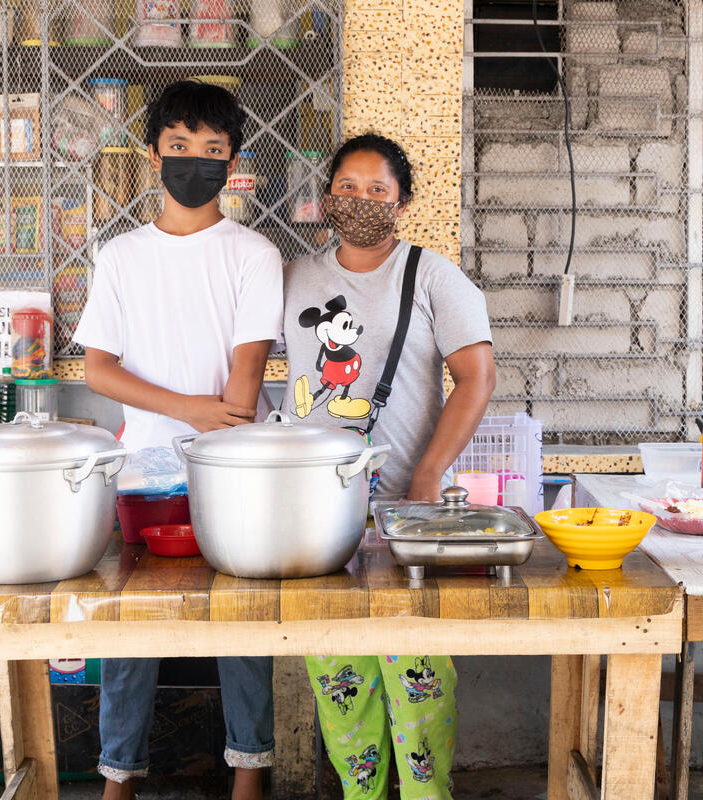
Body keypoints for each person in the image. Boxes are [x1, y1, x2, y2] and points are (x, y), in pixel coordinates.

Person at [74, 80, 280, 800]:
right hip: (144, 472)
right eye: (181, 147)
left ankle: (250, 774)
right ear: (153, 153)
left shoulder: (254, 254)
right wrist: (189, 410)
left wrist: (216, 435)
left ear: (234, 161)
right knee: (134, 630)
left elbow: (248, 369)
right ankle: (118, 778)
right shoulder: (122, 256)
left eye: (214, 150)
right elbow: (99, 368)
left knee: (242, 622)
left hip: (232, 468)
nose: (197, 160)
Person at [282, 133, 496, 799]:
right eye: (349, 187)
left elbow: (477, 377)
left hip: (407, 519)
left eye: (379, 190)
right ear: (326, 196)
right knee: (341, 680)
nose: (363, 201)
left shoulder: (433, 276)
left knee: (417, 675)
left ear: (401, 202)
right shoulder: (296, 277)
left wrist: (430, 474)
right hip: (317, 519)